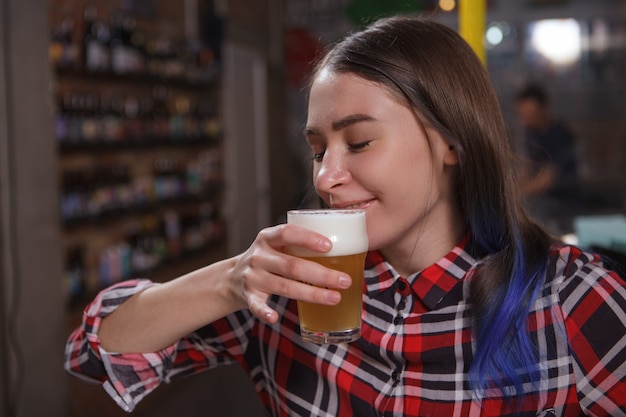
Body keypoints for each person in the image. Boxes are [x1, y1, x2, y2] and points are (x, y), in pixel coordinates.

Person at [65, 16, 626, 417]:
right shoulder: (289, 285)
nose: (325, 177)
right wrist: (231, 278)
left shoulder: (570, 298)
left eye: (358, 142)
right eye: (317, 149)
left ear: (452, 140)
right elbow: (96, 350)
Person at [514, 83, 580, 234]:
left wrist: (514, 194)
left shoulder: (561, 135)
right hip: (540, 201)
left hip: (562, 204)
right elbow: (526, 167)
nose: (525, 120)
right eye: (523, 115)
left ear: (544, 109)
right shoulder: (530, 132)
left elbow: (546, 179)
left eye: (530, 115)